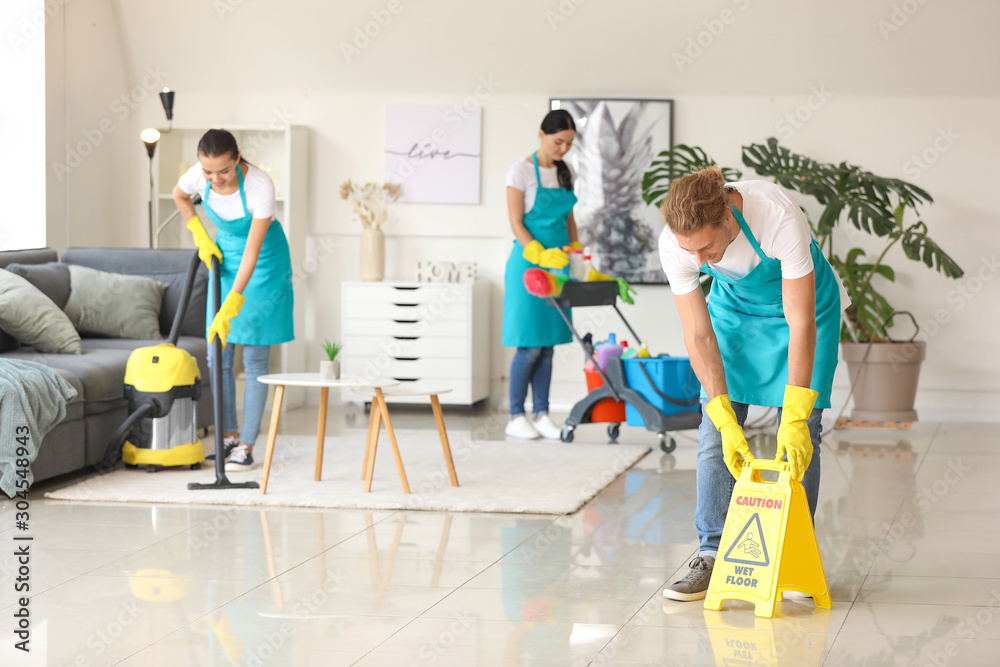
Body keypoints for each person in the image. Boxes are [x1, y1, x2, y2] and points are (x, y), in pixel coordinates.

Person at [657, 166, 845, 601]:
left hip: (806, 310)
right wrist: (721, 414)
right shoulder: (676, 244)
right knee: (712, 431)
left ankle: (794, 557)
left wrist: (795, 415)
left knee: (802, 434)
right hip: (736, 313)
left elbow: (800, 323)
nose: (699, 261)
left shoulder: (774, 215)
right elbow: (699, 334)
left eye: (706, 247)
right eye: (691, 252)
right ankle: (710, 552)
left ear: (727, 216)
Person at [172, 129, 294, 471]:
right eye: (208, 172)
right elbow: (179, 196)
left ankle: (247, 445)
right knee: (217, 353)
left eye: (223, 171)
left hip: (263, 265)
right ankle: (228, 435)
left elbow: (252, 254)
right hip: (225, 257)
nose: (216, 179)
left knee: (254, 357)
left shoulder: (259, 186)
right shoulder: (200, 175)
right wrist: (200, 234)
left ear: (237, 159)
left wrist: (232, 303)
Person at [502, 110, 582, 440]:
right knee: (529, 344)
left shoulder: (567, 172)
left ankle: (541, 414)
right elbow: (516, 220)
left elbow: (569, 219)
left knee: (548, 345)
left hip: (559, 266)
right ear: (541, 134)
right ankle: (515, 415)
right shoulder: (520, 171)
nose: (563, 149)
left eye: (569, 144)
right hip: (528, 266)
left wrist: (576, 254)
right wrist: (536, 253)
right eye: (558, 141)